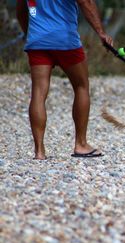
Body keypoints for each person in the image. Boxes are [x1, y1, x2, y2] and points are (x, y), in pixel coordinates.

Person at [16, 0, 113, 160]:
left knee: (38, 93)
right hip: (65, 40)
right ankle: (80, 144)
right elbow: (85, 2)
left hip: (37, 40)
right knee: (81, 86)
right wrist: (101, 32)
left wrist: (30, 34)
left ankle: (39, 151)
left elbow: (21, 11)